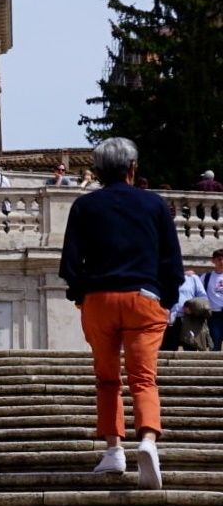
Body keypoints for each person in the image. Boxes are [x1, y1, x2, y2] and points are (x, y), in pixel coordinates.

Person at [59, 136, 184, 488]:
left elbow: (70, 263)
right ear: (133, 168)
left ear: (98, 172)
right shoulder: (155, 205)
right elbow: (172, 261)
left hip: (99, 299)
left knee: (107, 378)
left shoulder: (84, 207)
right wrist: (166, 297)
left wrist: (81, 295)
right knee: (143, 377)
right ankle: (147, 439)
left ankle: (114, 449)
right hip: (143, 297)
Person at [164, 269, 208, 352]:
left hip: (189, 319)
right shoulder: (163, 278)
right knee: (168, 349)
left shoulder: (192, 278)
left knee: (190, 349)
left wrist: (192, 307)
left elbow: (203, 297)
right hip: (169, 320)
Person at [203, 249, 223, 351]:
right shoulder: (206, 277)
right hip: (214, 315)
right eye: (219, 259)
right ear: (213, 261)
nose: (222, 262)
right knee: (215, 342)